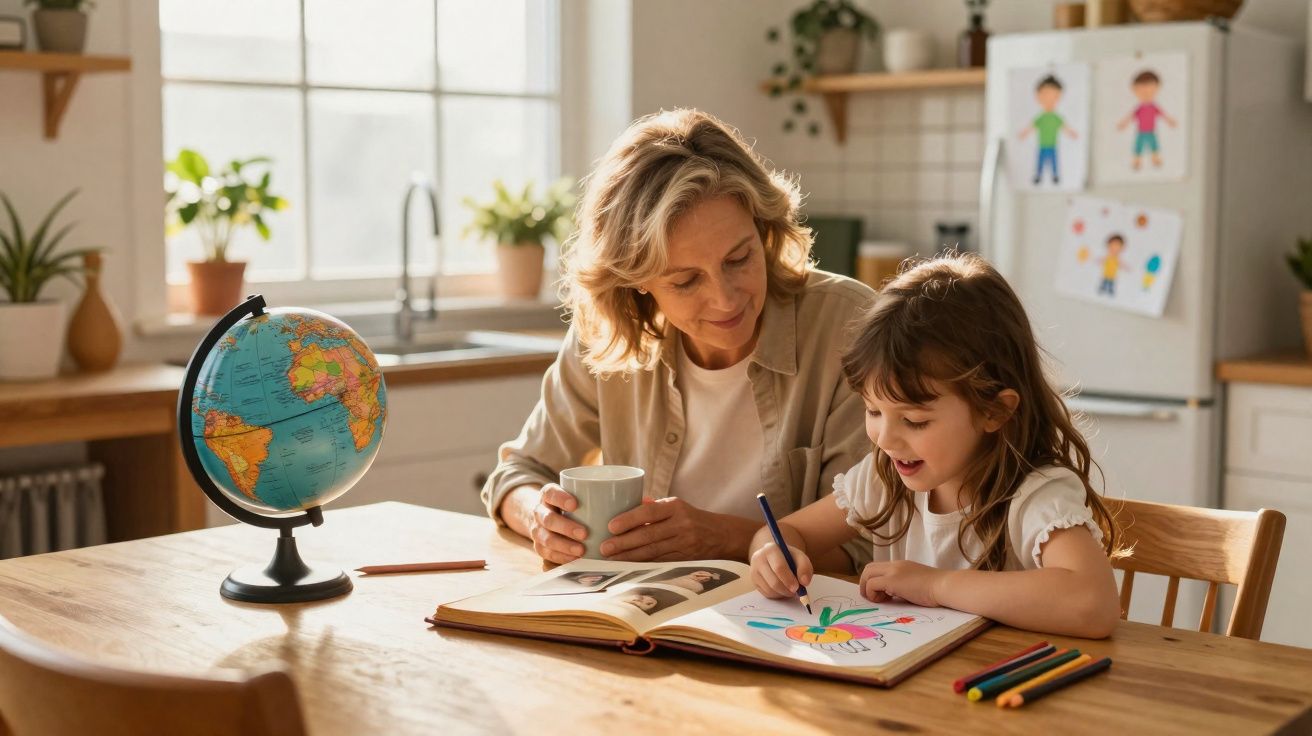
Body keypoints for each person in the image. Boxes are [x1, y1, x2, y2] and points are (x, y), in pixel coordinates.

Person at [480, 109, 875, 570]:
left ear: (763, 229)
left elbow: (865, 546)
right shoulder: (609, 335)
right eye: (686, 281)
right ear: (636, 282)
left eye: (739, 258)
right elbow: (515, 474)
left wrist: (723, 538)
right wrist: (540, 519)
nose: (725, 300)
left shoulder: (848, 325)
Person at [748, 252, 1124, 639]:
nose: (886, 439)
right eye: (873, 411)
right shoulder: (884, 480)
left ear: (994, 411)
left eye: (914, 421)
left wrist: (934, 586)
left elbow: (1092, 603)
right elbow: (786, 531)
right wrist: (773, 554)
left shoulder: (1035, 496)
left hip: (1003, 684)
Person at [1018, 75, 1078, 186]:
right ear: (1038, 96)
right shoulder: (1040, 117)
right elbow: (1032, 126)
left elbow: (1064, 126)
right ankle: (1038, 176)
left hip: (1052, 145)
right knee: (1040, 162)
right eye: (1045, 95)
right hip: (1042, 145)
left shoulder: (1056, 117)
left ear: (1059, 97)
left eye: (1054, 96)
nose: (1049, 99)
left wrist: (1072, 133)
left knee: (1054, 162)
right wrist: (1024, 133)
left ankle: (1055, 176)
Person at [1116, 70, 1177, 171]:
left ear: (1157, 88)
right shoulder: (1139, 108)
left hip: (1151, 131)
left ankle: (1155, 159)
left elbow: (1163, 115)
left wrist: (1170, 121)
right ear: (1134, 90)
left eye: (1151, 90)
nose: (1146, 93)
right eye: (1142, 90)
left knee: (1154, 145)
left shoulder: (1154, 107)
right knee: (1138, 146)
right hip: (1141, 132)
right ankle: (1137, 161)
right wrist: (1123, 124)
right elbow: (1131, 116)